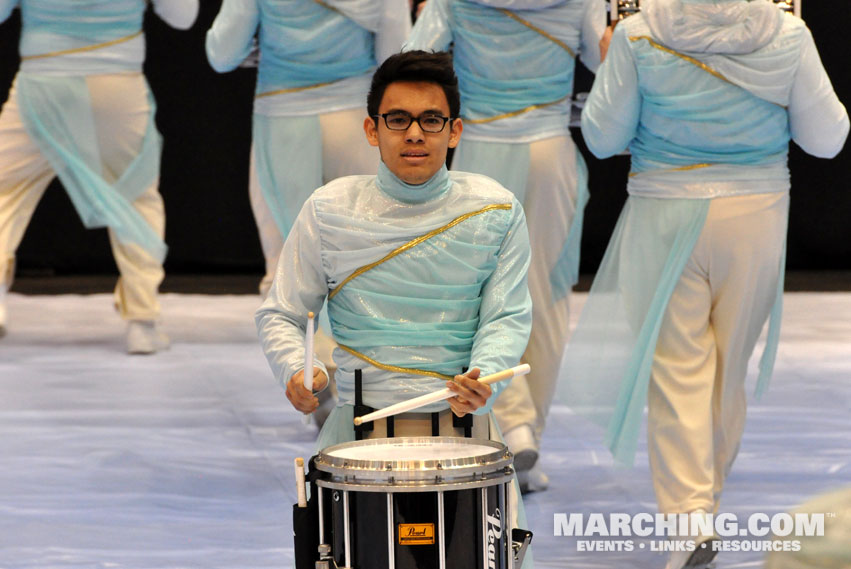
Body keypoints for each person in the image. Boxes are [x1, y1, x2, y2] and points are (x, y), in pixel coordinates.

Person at [560, 1, 848, 568]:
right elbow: (828, 139)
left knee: (676, 371)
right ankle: (702, 504)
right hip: (756, 213)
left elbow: (600, 136)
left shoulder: (640, 33)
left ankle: (690, 520)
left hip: (664, 213)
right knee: (728, 369)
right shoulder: (787, 32)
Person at [256, 50, 535, 568]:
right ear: (371, 129)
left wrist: (486, 377)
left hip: (467, 433)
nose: (414, 134)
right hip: (357, 435)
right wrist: (298, 370)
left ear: (454, 131)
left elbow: (507, 316)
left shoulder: (495, 210)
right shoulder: (329, 209)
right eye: (398, 119)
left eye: (431, 120)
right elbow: (283, 312)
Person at [404, 0, 606, 492]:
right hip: (551, 152)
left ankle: (507, 423)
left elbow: (411, 61)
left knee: (478, 297)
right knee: (547, 294)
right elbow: (611, 66)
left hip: (483, 151)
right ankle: (527, 427)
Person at [0, 0, 199, 351]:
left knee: (5, 192)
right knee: (135, 198)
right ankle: (143, 319)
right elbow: (183, 17)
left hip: (43, 83)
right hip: (117, 84)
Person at [206, 0, 410, 298]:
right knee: (363, 253)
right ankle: (353, 342)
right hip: (354, 119)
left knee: (286, 260)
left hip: (283, 118)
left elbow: (222, 54)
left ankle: (295, 342)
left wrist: (254, 48)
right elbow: (395, 58)